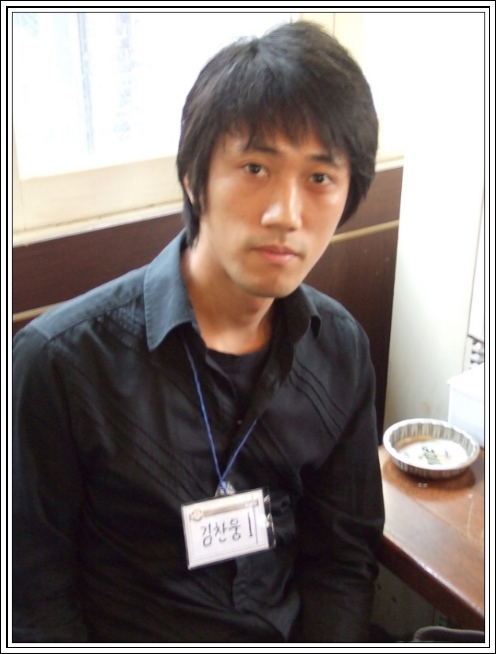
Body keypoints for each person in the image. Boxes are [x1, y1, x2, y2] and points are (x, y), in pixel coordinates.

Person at [13, 21, 385, 643]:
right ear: (193, 178)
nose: (286, 214)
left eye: (320, 178)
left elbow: (343, 560)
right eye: (255, 167)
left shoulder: (339, 348)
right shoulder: (61, 364)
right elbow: (34, 600)